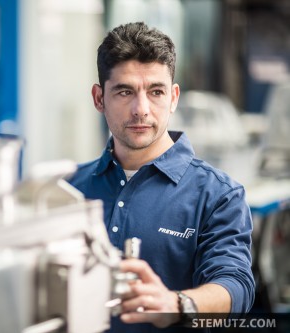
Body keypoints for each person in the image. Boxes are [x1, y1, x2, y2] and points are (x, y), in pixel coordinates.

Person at [67, 22, 255, 332]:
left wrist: (178, 304)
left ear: (173, 97)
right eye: (125, 91)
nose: (141, 109)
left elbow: (235, 286)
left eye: (156, 92)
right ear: (99, 98)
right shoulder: (70, 189)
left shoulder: (218, 196)